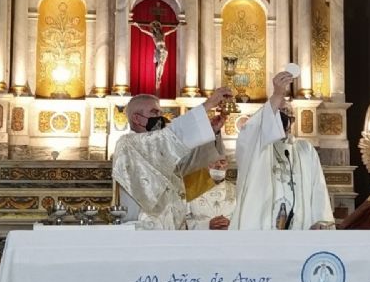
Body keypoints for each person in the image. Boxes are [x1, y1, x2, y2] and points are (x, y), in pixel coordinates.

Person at [112, 87, 232, 230]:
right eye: (154, 112)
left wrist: (212, 131)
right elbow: (167, 137)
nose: (160, 117)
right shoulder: (128, 144)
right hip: (142, 229)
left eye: (160, 113)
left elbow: (189, 161)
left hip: (172, 229)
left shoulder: (164, 150)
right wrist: (209, 104)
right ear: (136, 118)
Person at [230, 71, 335, 230]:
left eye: (288, 115)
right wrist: (277, 94)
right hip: (262, 232)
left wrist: (320, 220)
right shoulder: (258, 147)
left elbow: (317, 187)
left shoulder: (305, 149)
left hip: (300, 231)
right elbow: (250, 131)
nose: (284, 118)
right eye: (279, 113)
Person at [185, 157, 236, 230]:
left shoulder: (236, 190)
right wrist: (206, 226)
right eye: (213, 161)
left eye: (222, 162)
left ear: (227, 165)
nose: (218, 165)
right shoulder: (190, 190)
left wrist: (232, 225)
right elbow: (182, 222)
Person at [132, 20, 179, 93]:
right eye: (155, 28)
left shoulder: (163, 35)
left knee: (162, 64)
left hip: (164, 51)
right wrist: (138, 25)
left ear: (159, 28)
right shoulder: (153, 35)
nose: (156, 29)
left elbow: (171, 31)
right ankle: (158, 78)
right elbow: (143, 31)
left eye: (157, 27)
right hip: (158, 51)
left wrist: (177, 27)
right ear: (153, 29)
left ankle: (159, 77)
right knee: (159, 65)